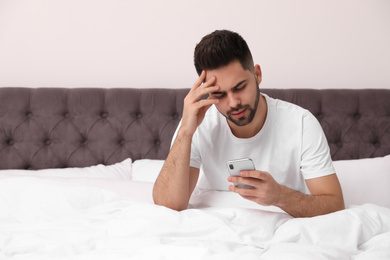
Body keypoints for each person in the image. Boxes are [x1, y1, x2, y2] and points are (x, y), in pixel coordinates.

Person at [153, 29, 345, 217]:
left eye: (240, 87)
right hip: (216, 230)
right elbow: (169, 205)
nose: (234, 103)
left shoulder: (301, 123)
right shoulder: (196, 124)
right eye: (219, 94)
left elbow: (334, 204)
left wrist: (279, 196)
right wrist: (186, 131)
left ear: (257, 75)